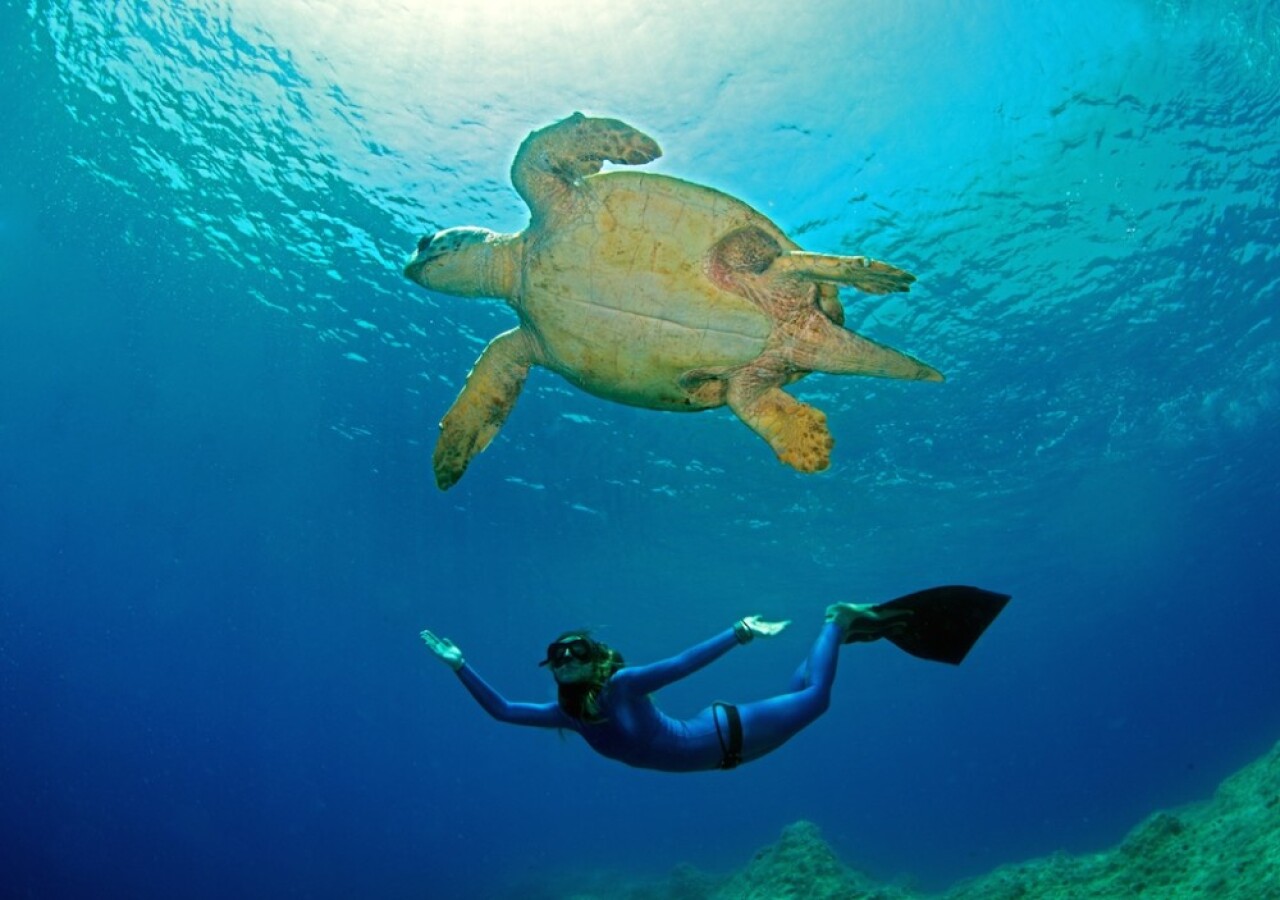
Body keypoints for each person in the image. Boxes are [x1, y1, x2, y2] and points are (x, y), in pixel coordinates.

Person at [419, 586, 1009, 773]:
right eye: (557, 655)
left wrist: (738, 631)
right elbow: (500, 711)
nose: (566, 657)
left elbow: (680, 665)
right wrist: (458, 665)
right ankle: (839, 638)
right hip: (726, 750)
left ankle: (838, 621)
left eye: (576, 651)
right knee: (803, 695)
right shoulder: (566, 715)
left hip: (727, 734)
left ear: (594, 658)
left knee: (817, 700)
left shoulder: (621, 686)